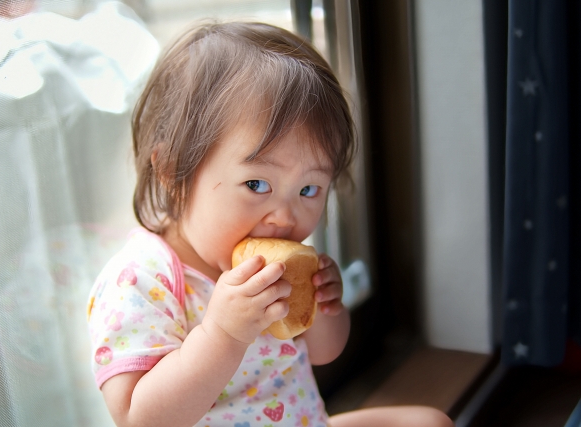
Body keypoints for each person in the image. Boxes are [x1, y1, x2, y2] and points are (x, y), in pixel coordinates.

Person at [87, 21, 454, 427]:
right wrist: (223, 335)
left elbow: (322, 353)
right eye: (257, 184)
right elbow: (140, 419)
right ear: (174, 174)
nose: (285, 216)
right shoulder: (140, 281)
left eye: (310, 189)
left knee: (429, 422)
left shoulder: (280, 264)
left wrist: (326, 309)